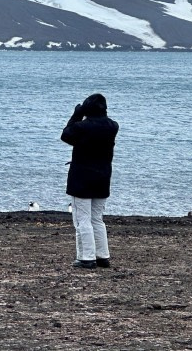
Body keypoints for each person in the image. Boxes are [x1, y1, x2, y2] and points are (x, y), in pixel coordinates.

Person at [60, 93, 118, 270]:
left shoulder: (83, 127)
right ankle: (102, 256)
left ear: (88, 109)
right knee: (97, 219)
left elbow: (66, 135)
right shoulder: (112, 126)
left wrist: (77, 113)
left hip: (82, 177)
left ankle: (86, 257)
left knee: (82, 219)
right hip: (103, 176)